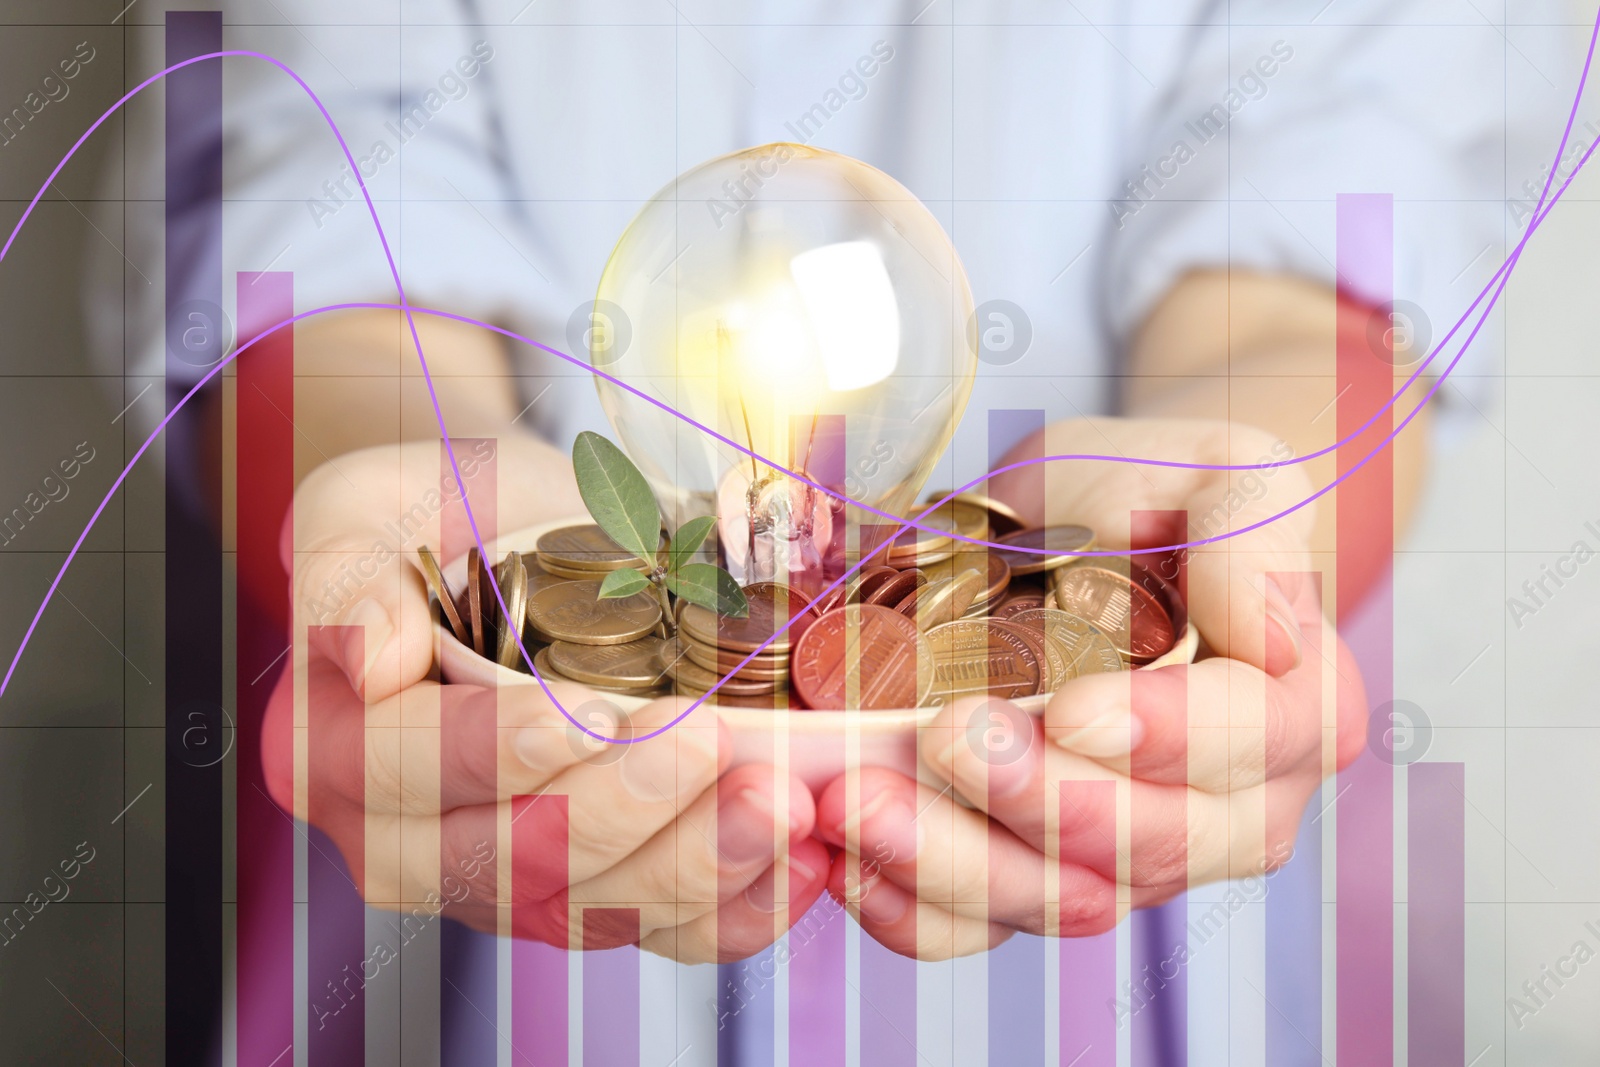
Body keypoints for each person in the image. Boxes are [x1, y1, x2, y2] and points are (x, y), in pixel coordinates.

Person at [96, 0, 1558, 1061]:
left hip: (1121, 907)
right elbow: (333, 199)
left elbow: (1331, 205)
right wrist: (407, 500)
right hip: (498, 876)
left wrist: (1235, 522)